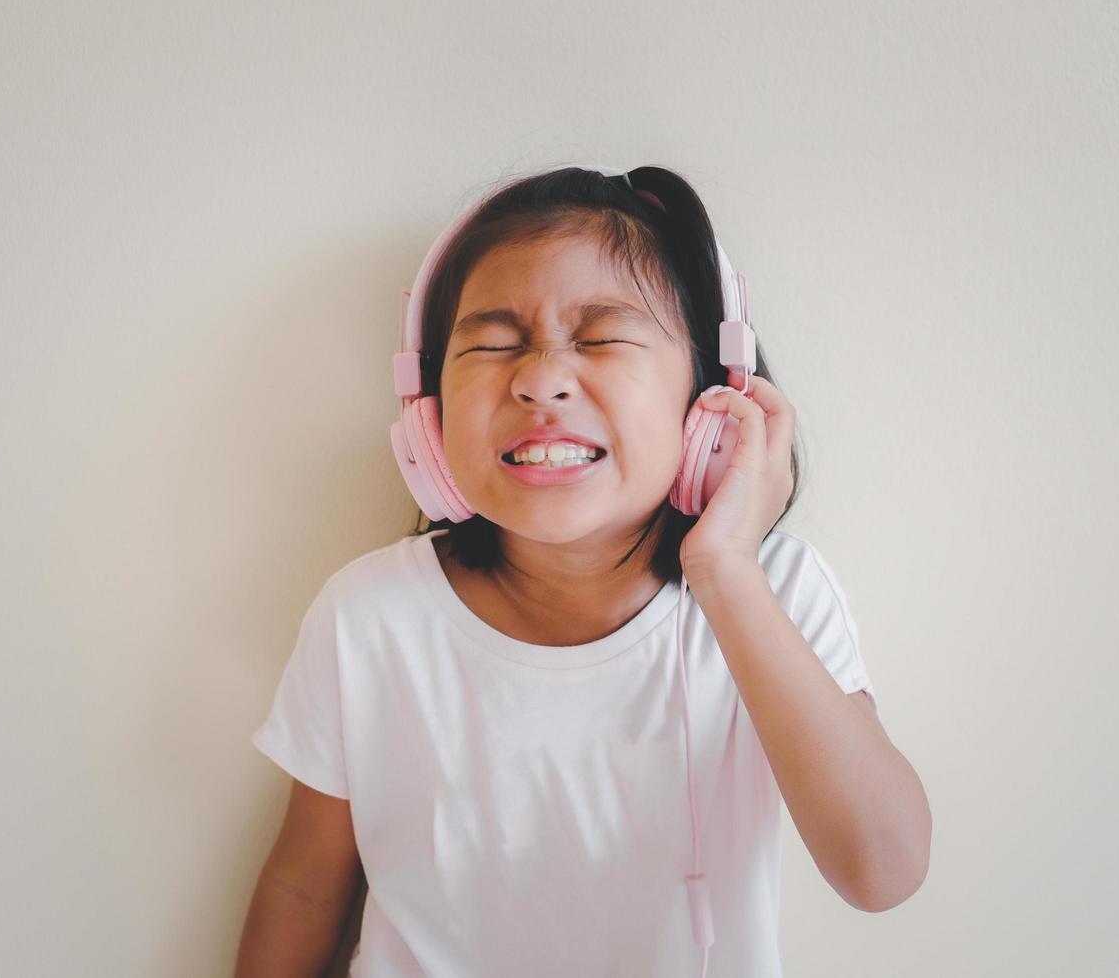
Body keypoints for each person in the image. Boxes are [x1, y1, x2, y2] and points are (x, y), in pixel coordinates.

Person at [234, 165, 931, 978]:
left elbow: (882, 870)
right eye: (493, 344)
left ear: (710, 400)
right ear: (428, 415)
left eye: (601, 337)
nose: (539, 380)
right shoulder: (369, 615)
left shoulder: (770, 595)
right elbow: (306, 891)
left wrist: (726, 570)